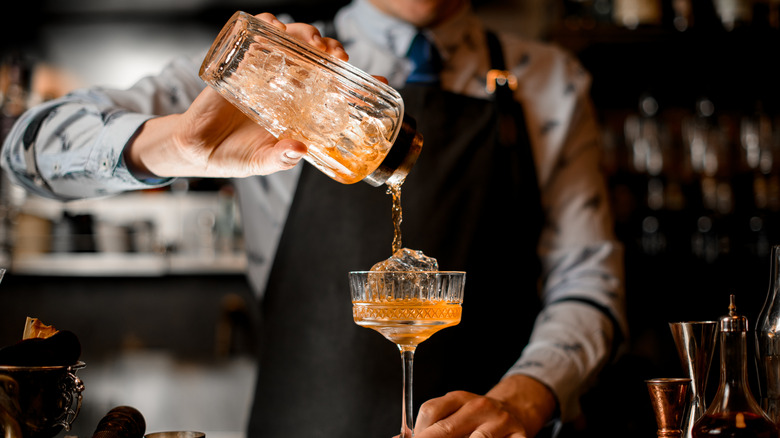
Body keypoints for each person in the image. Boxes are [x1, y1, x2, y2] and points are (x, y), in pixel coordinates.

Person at [1, 0, 627, 437]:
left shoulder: (550, 82)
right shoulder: (269, 66)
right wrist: (178, 145)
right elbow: (27, 149)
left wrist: (523, 401)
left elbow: (589, 285)